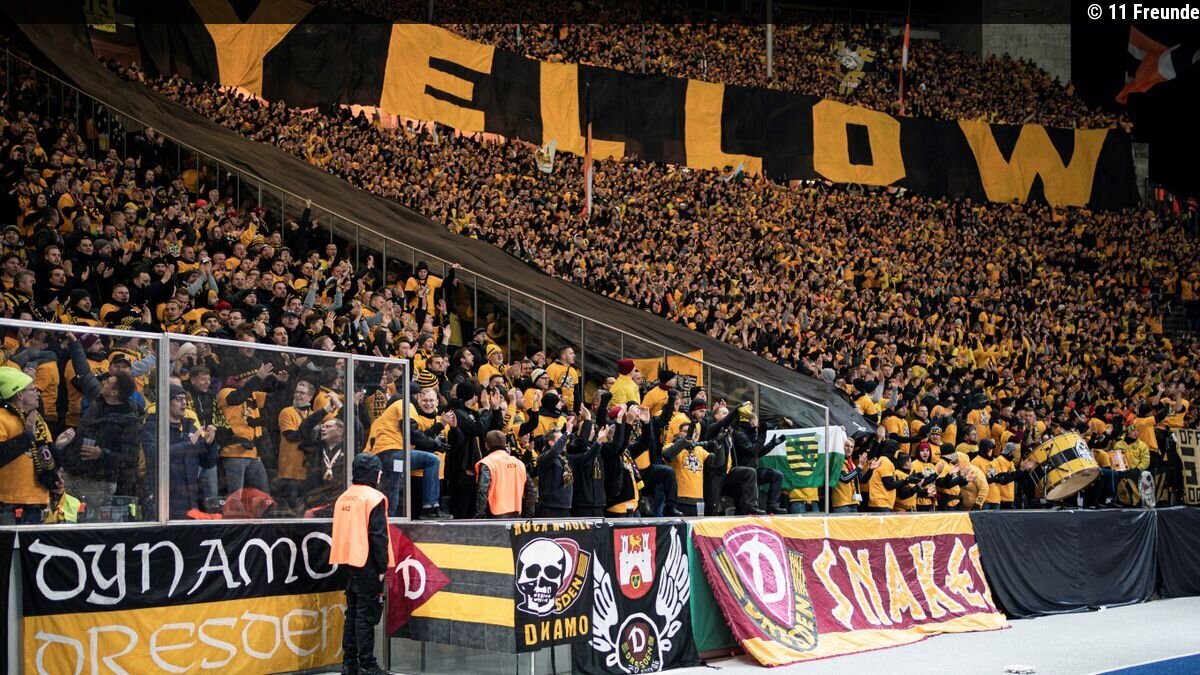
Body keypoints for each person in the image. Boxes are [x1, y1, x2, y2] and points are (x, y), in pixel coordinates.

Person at [329, 453, 394, 675]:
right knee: (366, 616)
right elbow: (378, 536)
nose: (381, 475)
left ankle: (350, 664)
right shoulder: (374, 498)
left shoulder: (344, 497)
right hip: (367, 564)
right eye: (379, 471)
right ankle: (368, 664)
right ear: (373, 473)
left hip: (346, 563)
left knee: (353, 614)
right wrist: (382, 567)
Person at [0, 366, 67, 523]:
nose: (38, 393)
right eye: (32, 389)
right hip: (8, 501)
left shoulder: (37, 419)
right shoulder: (2, 418)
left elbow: (47, 452)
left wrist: (55, 474)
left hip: (38, 500)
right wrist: (27, 436)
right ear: (19, 394)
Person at [475, 430, 535, 518]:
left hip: (494, 515)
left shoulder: (487, 463)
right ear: (505, 444)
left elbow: (482, 490)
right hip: (516, 515)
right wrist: (528, 515)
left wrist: (480, 516)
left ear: (486, 445)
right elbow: (531, 491)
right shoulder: (519, 463)